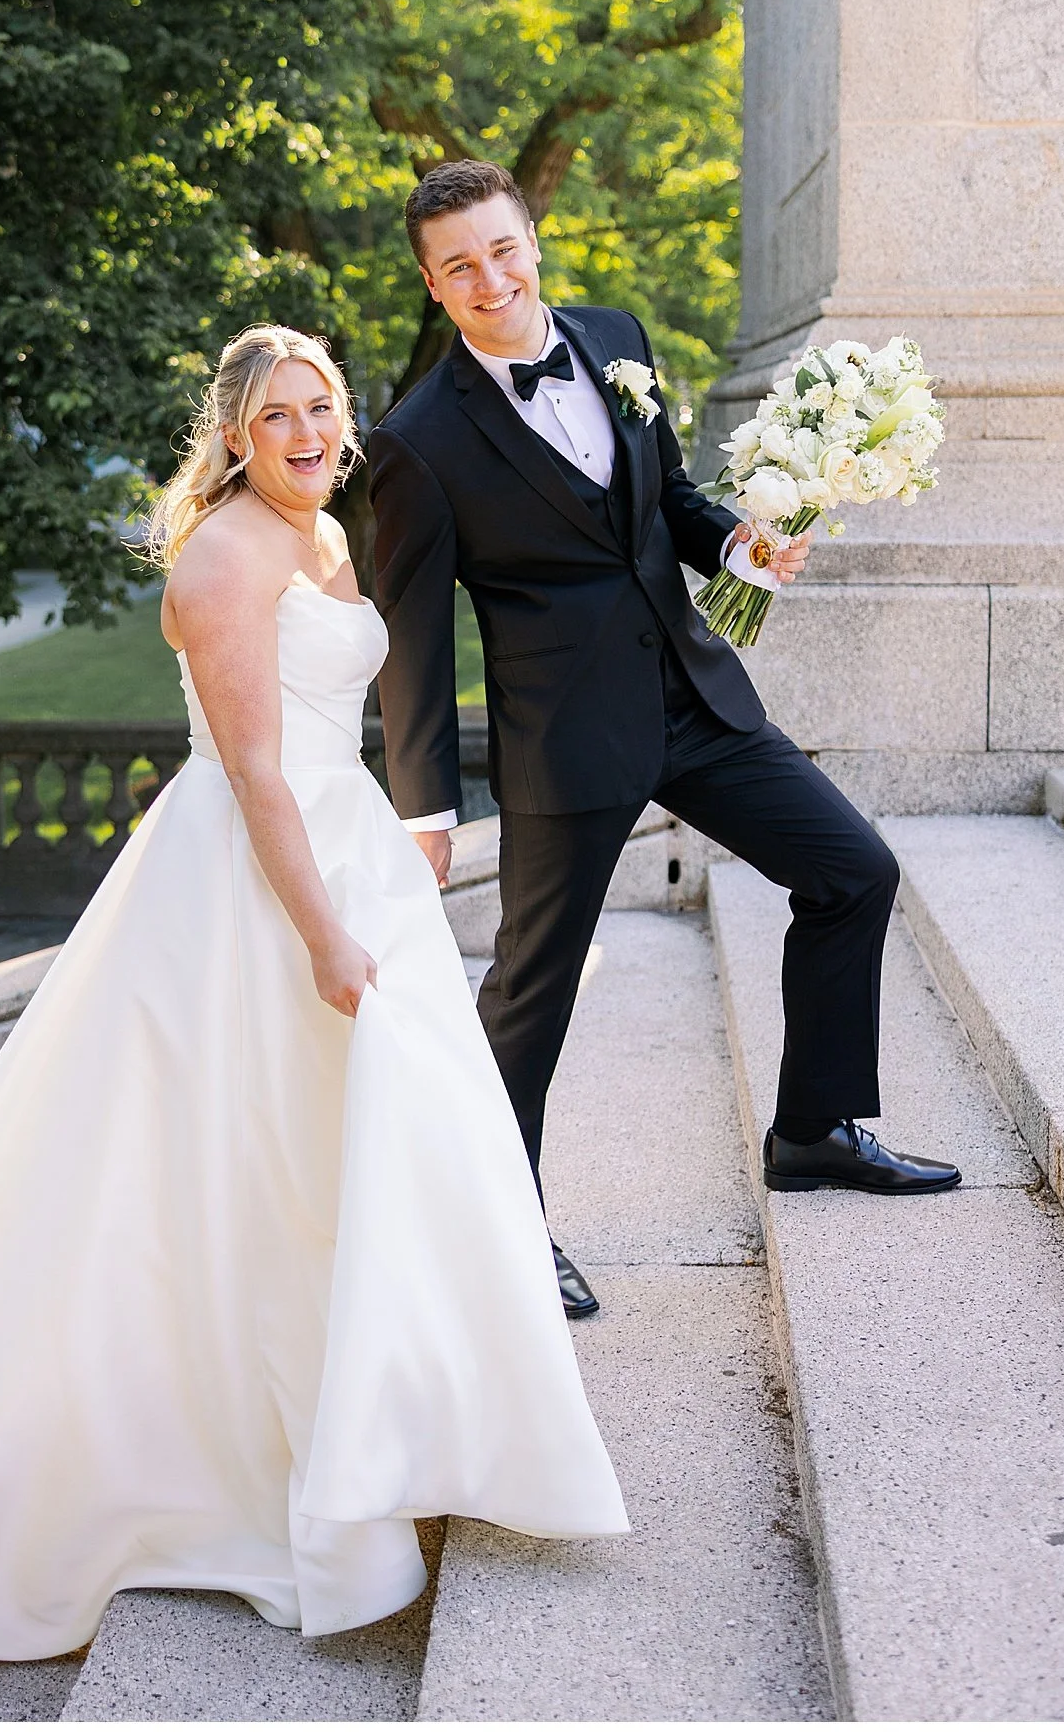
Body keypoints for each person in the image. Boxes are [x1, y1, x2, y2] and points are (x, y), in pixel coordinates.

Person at [0, 323, 627, 1724]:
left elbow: (336, 728)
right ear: (232, 433)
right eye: (278, 415)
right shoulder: (225, 560)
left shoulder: (322, 536)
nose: (307, 433)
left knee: (368, 1163)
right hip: (259, 887)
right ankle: (281, 1458)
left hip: (347, 850)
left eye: (323, 409)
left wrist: (389, 853)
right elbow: (253, 777)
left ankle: (400, 1436)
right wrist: (325, 938)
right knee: (250, 1172)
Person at [369, 161, 960, 1322]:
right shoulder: (417, 439)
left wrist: (738, 547)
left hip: (695, 700)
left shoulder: (613, 336)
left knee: (853, 870)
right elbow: (415, 634)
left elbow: (664, 498)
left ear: (532, 238)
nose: (490, 278)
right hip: (566, 740)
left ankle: (812, 1129)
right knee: (530, 992)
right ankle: (501, 1221)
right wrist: (422, 808)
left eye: (503, 249)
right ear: (435, 289)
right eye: (459, 267)